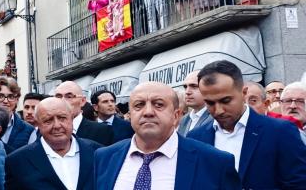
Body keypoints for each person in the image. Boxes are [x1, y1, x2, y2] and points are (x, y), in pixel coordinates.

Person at [93, 82, 241, 190]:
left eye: (158, 104)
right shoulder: (104, 157)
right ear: (130, 115)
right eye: (139, 105)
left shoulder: (215, 162)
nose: (148, 112)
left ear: (176, 116)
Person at [188, 60, 306, 189]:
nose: (219, 110)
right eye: (210, 103)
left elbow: (298, 184)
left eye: (226, 100)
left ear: (243, 93)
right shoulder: (195, 138)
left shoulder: (280, 131)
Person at [5, 98, 100, 190]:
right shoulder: (17, 161)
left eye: (62, 118)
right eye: (48, 120)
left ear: (71, 118)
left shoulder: (98, 153)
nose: (57, 126)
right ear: (38, 124)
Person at [53, 81, 113, 146]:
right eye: (58, 97)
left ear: (82, 101)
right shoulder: (47, 131)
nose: (63, 101)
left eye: (69, 97)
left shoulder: (102, 131)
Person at [0, 77, 34, 151]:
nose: (5, 101)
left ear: (17, 99)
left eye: (11, 96)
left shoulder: (29, 130)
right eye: (0, 96)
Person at [177, 71, 212, 136]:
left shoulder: (215, 118)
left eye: (194, 86)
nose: (187, 92)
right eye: (185, 87)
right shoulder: (184, 119)